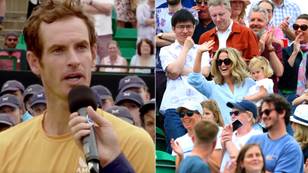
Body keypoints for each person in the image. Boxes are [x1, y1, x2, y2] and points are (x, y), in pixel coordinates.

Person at [0, 1, 155, 172]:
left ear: (94, 54)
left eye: (81, 47)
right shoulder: (5, 146)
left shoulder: (133, 142)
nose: (74, 60)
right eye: (58, 50)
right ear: (34, 62)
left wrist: (115, 165)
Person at [159, 9, 209, 153]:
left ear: (194, 27)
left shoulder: (202, 49)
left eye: (188, 26)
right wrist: (186, 49)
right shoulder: (166, 50)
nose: (185, 30)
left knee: (199, 149)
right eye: (181, 27)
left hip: (198, 106)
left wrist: (181, 69)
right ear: (173, 29)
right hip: (174, 106)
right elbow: (173, 72)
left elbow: (205, 73)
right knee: (177, 150)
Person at [188, 47, 255, 124]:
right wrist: (199, 53)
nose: (223, 65)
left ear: (235, 62)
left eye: (227, 61)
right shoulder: (212, 87)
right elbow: (195, 79)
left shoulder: (249, 83)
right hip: (225, 132)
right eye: (219, 62)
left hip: (248, 131)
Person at [247, 94, 303, 172]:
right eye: (261, 113)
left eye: (267, 112)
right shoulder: (254, 139)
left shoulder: (291, 147)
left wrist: (253, 168)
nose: (263, 116)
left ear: (282, 112)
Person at [248, 5, 284, 93]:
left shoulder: (275, 45)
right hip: (248, 93)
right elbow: (246, 70)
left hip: (269, 96)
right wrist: (260, 49)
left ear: (266, 23)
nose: (255, 23)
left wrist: (270, 48)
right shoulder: (243, 42)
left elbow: (279, 72)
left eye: (259, 20)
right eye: (252, 20)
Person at [220, 100, 262, 172]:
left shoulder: (257, 136)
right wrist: (224, 144)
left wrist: (227, 140)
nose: (232, 116)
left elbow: (241, 160)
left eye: (236, 113)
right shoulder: (230, 134)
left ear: (249, 116)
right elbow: (221, 162)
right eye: (231, 113)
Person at [278, 14, 308, 105]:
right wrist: (294, 52)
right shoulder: (287, 50)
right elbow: (284, 77)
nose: (299, 30)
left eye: (303, 27)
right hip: (288, 97)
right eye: (296, 27)